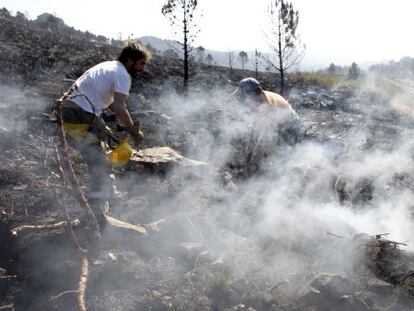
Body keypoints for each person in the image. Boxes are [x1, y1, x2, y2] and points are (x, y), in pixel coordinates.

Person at [55, 41, 151, 223]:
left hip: (71, 111)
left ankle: (108, 197)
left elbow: (88, 96)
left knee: (102, 151)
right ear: (130, 60)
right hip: (78, 114)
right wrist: (133, 131)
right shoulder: (123, 74)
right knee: (98, 163)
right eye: (141, 63)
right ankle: (96, 213)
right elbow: (119, 107)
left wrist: (99, 124)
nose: (142, 69)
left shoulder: (107, 66)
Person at [233, 77, 301, 145]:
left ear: (252, 94)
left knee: (284, 148)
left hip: (290, 122)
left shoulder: (268, 104)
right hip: (278, 122)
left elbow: (267, 129)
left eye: (245, 95)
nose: (243, 98)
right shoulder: (257, 99)